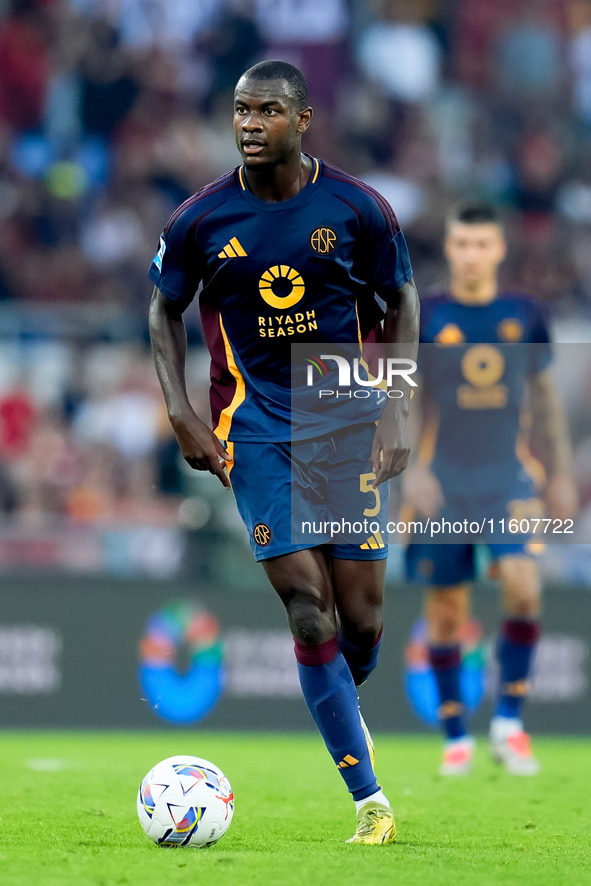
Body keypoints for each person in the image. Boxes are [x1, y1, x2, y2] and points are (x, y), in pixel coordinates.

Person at [148, 60, 419, 843]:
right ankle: (369, 799)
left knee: (360, 624)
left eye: (266, 110)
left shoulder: (358, 208)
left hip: (341, 413)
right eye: (239, 110)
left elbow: (399, 298)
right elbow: (161, 310)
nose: (248, 123)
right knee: (309, 611)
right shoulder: (199, 220)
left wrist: (397, 406)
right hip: (254, 427)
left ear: (303, 121)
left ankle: (337, 698)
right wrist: (181, 411)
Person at [402, 204, 577, 776]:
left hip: (508, 478)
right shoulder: (426, 315)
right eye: (461, 244)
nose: (471, 254)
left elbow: (546, 399)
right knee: (447, 613)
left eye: (482, 244)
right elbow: (405, 397)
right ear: (449, 249)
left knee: (524, 589)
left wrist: (563, 473)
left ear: (499, 250)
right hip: (443, 482)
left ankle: (508, 723)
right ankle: (456, 736)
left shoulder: (525, 313)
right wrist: (411, 471)